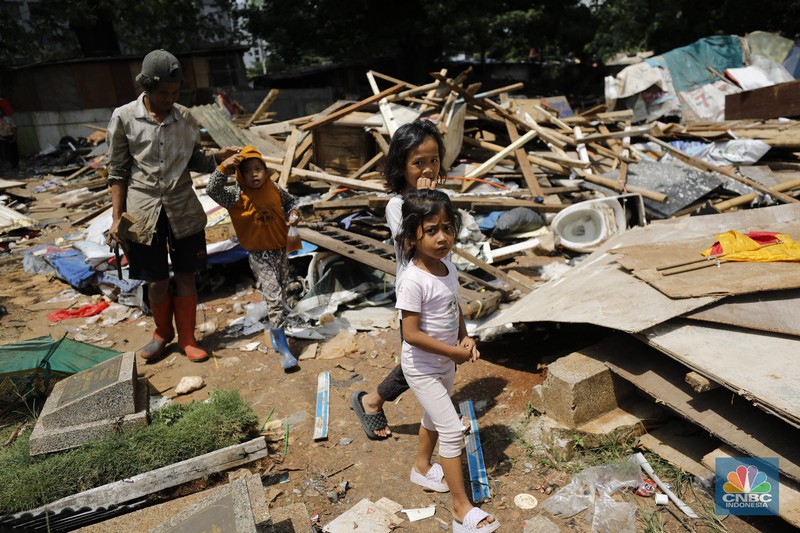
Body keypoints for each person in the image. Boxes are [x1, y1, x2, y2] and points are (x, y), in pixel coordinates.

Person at [106, 49, 239, 363]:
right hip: (142, 212)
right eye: (164, 93)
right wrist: (116, 218)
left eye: (176, 93)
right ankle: (162, 334)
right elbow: (117, 171)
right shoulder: (124, 117)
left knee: (186, 275)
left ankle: (189, 339)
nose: (170, 98)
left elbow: (195, 160)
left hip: (183, 209)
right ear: (147, 88)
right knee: (157, 279)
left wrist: (219, 159)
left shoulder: (186, 118)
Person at [395, 188, 499, 533]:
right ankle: (460, 508)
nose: (443, 237)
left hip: (444, 363)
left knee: (433, 417)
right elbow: (410, 333)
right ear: (411, 236)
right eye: (431, 230)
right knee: (452, 430)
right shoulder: (412, 280)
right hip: (422, 367)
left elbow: (453, 308)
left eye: (447, 228)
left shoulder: (447, 267)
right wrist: (454, 352)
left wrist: (464, 337)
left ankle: (422, 468)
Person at [350, 118, 447, 440]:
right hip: (414, 289)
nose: (427, 170)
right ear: (400, 166)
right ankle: (372, 401)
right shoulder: (398, 205)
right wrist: (422, 207)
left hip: (440, 284)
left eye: (433, 161)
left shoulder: (439, 196)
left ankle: (435, 409)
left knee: (432, 352)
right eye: (418, 163)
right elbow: (410, 243)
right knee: (417, 356)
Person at [206, 145, 300, 371]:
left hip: (280, 250)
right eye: (248, 171)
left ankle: (276, 334)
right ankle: (285, 350)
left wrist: (294, 214)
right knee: (275, 298)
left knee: (283, 292)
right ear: (240, 174)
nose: (254, 174)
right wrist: (223, 167)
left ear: (266, 171)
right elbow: (212, 190)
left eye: (258, 169)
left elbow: (291, 202)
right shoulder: (236, 196)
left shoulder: (274, 188)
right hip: (260, 255)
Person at [0, 97, 18, 170]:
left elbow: (14, 126)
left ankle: (14, 164)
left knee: (13, 152)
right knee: (6, 153)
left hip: (10, 137)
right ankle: (9, 164)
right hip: (3, 138)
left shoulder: (7, 118)